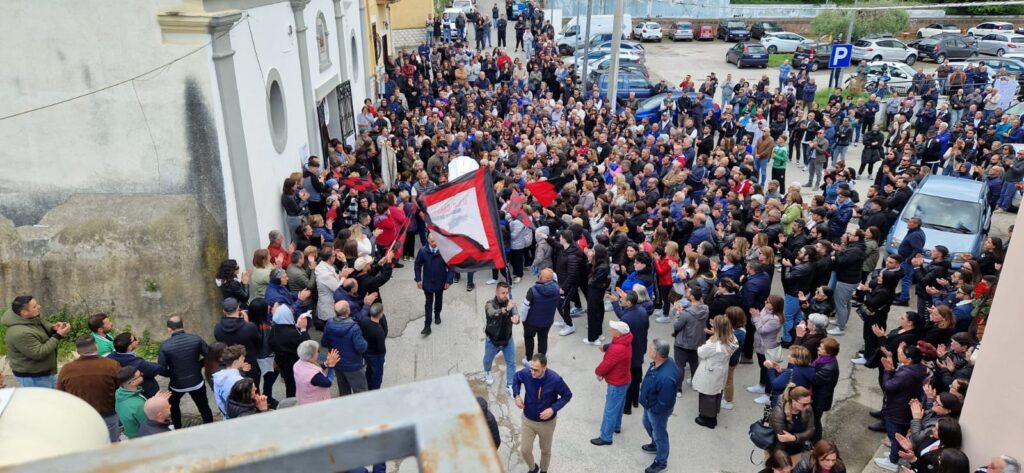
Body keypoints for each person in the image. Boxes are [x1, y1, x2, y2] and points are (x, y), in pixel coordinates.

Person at [513, 353, 573, 473]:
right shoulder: (526, 373)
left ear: (544, 368)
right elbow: (516, 378)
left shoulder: (555, 379)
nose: (532, 373)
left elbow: (567, 395)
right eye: (531, 369)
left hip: (547, 423)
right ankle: (532, 468)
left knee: (545, 450)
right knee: (524, 450)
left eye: (536, 370)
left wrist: (553, 409)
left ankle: (544, 470)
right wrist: (517, 395)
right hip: (528, 420)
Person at [57, 335, 122, 442]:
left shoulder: (67, 369)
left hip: (82, 417)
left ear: (77, 351)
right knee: (113, 444)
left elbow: (61, 394)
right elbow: (119, 387)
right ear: (96, 347)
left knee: (89, 443)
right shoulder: (111, 365)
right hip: (108, 414)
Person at [875, 344, 928, 472]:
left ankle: (892, 461)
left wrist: (888, 371)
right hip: (905, 409)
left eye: (902, 353)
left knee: (895, 437)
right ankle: (895, 455)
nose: (899, 354)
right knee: (901, 435)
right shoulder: (919, 369)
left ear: (909, 360)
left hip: (897, 410)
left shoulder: (906, 373)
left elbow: (889, 387)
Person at [158, 316, 213, 429]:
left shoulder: (165, 346)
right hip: (197, 382)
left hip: (177, 385)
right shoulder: (196, 339)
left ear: (169, 329)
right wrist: (198, 365)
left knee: (173, 405)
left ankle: (178, 428)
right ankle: (210, 427)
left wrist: (173, 373)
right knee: (204, 406)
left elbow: (161, 370)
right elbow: (210, 355)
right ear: (183, 325)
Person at [3, 295, 70, 388]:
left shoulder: (28, 318)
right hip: (34, 376)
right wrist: (58, 335)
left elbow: (40, 325)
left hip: (42, 371)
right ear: (24, 312)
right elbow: (38, 353)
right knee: (44, 401)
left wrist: (53, 328)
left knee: (53, 397)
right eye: (34, 306)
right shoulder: (20, 333)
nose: (39, 306)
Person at [590, 320, 632, 446]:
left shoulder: (617, 348)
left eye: (613, 329)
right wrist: (606, 347)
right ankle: (616, 427)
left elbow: (606, 365)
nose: (610, 330)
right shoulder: (625, 341)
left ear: (618, 333)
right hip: (624, 379)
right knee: (618, 406)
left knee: (610, 410)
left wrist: (598, 372)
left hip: (616, 382)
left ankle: (606, 437)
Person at [639, 339, 678, 473]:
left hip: (656, 410)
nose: (649, 349)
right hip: (650, 404)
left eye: (651, 348)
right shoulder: (661, 362)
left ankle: (661, 462)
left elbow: (665, 402)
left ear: (656, 354)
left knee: (660, 434)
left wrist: (653, 409)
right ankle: (655, 445)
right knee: (646, 423)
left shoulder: (666, 377)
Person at [692, 315, 737, 429]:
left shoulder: (713, 344)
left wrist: (712, 337)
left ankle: (709, 419)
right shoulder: (732, 339)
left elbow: (700, 352)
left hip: (710, 371)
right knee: (716, 393)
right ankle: (713, 414)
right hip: (721, 369)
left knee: (707, 395)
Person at [610, 289, 650, 416]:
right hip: (641, 347)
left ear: (629, 302)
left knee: (629, 379)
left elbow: (622, 318)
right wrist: (617, 302)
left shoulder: (627, 318)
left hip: (632, 351)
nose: (621, 299)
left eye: (623, 299)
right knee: (637, 374)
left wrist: (615, 303)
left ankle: (627, 407)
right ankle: (635, 400)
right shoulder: (642, 311)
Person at [322, 300, 369, 396]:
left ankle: (345, 409)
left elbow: (324, 342)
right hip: (354, 366)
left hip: (338, 363)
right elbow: (361, 348)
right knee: (361, 392)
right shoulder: (354, 328)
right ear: (348, 311)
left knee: (344, 392)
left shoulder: (329, 324)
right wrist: (365, 342)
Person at [214, 297, 262, 387]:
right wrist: (247, 323)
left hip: (231, 365)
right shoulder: (249, 327)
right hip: (249, 363)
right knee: (253, 389)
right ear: (238, 308)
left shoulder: (217, 328)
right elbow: (259, 343)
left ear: (224, 311)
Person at [414, 232, 455, 335]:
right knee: (428, 303)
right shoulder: (423, 251)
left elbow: (451, 267)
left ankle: (437, 315)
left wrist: (449, 281)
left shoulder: (444, 251)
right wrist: (418, 279)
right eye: (432, 241)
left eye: (436, 241)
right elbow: (417, 265)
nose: (434, 243)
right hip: (427, 283)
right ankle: (427, 326)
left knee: (438, 300)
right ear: (427, 240)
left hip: (440, 282)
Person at [484, 282, 519, 396]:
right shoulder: (489, 304)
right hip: (492, 340)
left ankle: (510, 385)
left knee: (512, 363)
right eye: (502, 293)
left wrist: (516, 319)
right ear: (496, 292)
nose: (505, 295)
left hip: (507, 339)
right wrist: (506, 309)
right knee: (487, 361)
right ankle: (488, 371)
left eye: (506, 292)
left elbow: (516, 315)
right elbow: (493, 314)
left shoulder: (510, 303)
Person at [672, 285, 709, 395]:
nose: (687, 293)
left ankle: (678, 389)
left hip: (683, 343)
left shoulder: (686, 313)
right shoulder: (705, 309)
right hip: (698, 341)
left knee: (679, 365)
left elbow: (677, 326)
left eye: (689, 292)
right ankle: (694, 383)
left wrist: (678, 313)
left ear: (692, 297)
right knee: (694, 363)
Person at [115, 366, 169, 439]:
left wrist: (154, 399)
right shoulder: (138, 405)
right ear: (133, 382)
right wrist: (157, 402)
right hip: (142, 438)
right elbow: (151, 423)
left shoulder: (120, 392)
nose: (143, 374)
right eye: (140, 375)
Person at [269, 304, 311, 398]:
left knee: (290, 386)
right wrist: (303, 329)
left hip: (284, 365)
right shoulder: (292, 334)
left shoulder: (274, 329)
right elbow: (308, 346)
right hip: (296, 365)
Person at [520, 268, 560, 365]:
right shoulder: (556, 288)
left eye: (540, 275)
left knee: (529, 338)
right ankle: (541, 360)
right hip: (547, 322)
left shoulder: (532, 291)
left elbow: (524, 308)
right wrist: (550, 272)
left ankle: (528, 359)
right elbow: (554, 277)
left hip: (531, 323)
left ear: (541, 278)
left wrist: (523, 320)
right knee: (543, 339)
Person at [770, 385, 817, 466]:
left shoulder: (807, 408)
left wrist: (794, 438)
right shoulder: (779, 413)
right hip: (781, 452)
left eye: (810, 402)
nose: (808, 406)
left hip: (798, 448)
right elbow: (782, 439)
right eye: (804, 404)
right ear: (794, 401)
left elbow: (811, 430)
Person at [109, 332, 163, 398]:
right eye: (134, 339)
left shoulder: (110, 357)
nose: (137, 339)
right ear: (129, 347)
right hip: (145, 392)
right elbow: (156, 368)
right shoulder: (137, 363)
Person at [554, 229, 587, 337]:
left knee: (562, 305)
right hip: (563, 282)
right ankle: (565, 321)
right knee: (562, 304)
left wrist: (564, 287)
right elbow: (554, 243)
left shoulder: (572, 255)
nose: (559, 239)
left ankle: (569, 326)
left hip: (568, 285)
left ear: (564, 239)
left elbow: (572, 274)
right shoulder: (565, 248)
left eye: (560, 237)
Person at [810, 338, 840, 443]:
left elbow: (814, 379)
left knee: (815, 421)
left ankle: (815, 442)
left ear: (828, 352)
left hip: (819, 400)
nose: (818, 348)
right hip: (818, 396)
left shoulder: (828, 368)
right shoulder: (823, 360)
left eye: (821, 348)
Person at [294, 340, 340, 405]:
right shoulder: (313, 375)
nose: (318, 352)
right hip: (315, 403)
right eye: (317, 351)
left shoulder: (297, 364)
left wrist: (326, 364)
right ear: (312, 355)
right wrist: (331, 366)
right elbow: (328, 383)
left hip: (303, 399)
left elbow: (313, 367)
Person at [584, 244, 611, 345]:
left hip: (595, 291)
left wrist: (590, 264)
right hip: (598, 291)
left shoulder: (602, 267)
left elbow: (592, 281)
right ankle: (598, 334)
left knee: (593, 314)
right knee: (598, 312)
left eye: (593, 251)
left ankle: (593, 338)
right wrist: (590, 262)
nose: (591, 252)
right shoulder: (601, 263)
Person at [211, 345, 249, 418]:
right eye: (241, 358)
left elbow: (220, 402)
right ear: (235, 362)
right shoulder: (239, 381)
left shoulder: (217, 377)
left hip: (227, 416)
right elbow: (243, 405)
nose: (244, 358)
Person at [359, 302, 388, 391]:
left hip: (366, 352)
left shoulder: (364, 321)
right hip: (376, 356)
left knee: (369, 370)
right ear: (380, 314)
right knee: (377, 375)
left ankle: (368, 385)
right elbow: (381, 348)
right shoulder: (379, 331)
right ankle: (375, 391)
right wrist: (382, 357)